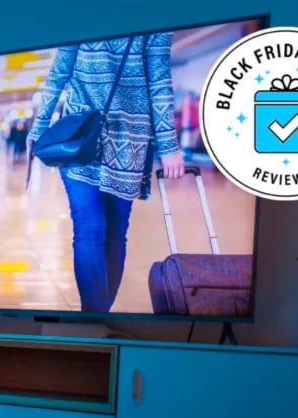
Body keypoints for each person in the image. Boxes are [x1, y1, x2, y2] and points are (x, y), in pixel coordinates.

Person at [26, 34, 185, 313]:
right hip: (91, 140)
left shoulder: (154, 19)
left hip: (108, 140)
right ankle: (95, 317)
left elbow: (159, 82)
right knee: (92, 228)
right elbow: (59, 73)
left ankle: (98, 315)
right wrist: (38, 128)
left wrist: (169, 146)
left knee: (111, 230)